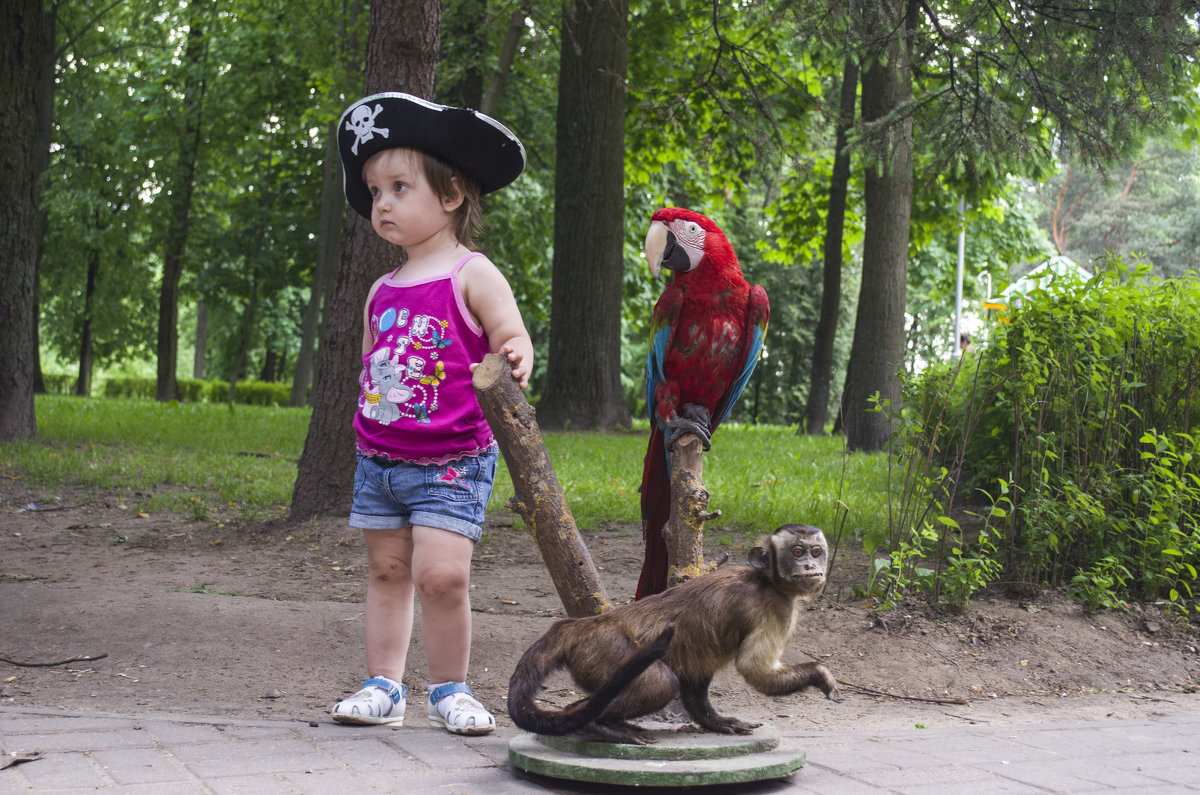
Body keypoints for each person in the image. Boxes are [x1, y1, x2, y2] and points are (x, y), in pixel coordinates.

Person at [329, 92, 532, 735]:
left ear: (450, 195)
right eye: (372, 191)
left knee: (441, 576)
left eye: (396, 187)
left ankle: (450, 688)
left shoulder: (473, 273)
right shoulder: (381, 288)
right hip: (381, 460)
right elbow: (372, 363)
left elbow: (511, 335)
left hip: (453, 460)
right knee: (387, 571)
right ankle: (384, 685)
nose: (380, 203)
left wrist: (517, 355)